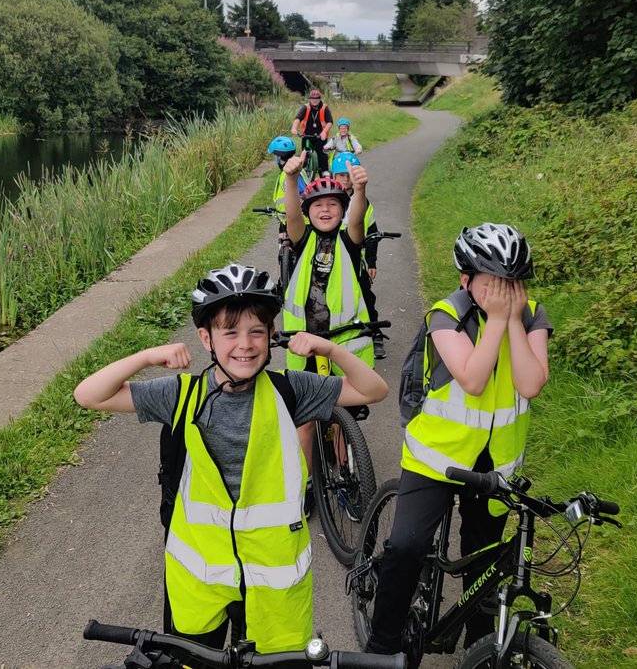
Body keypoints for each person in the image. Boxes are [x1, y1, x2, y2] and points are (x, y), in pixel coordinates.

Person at [74, 264, 388, 653]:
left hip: (274, 579)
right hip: (201, 579)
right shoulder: (182, 395)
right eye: (230, 332)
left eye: (257, 331)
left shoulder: (290, 390)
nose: (246, 344)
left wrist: (329, 348)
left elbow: (373, 391)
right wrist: (147, 356)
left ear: (272, 334)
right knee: (191, 661)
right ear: (206, 338)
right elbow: (89, 395)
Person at [365, 224, 553, 656]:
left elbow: (529, 384)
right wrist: (497, 322)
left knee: (484, 563)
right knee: (407, 547)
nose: (503, 294)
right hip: (435, 458)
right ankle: (381, 646)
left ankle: (480, 651)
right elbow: (471, 378)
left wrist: (512, 322)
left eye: (512, 284)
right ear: (466, 281)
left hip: (494, 468)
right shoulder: (445, 315)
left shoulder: (533, 316)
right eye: (492, 284)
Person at [280, 154, 376, 489]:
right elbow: (291, 215)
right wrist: (291, 180)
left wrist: (360, 190)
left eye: (333, 205)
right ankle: (305, 484)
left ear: (342, 211)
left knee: (341, 413)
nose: (325, 210)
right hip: (304, 342)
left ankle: (347, 472)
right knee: (305, 421)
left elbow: (358, 222)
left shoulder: (348, 243)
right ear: (309, 212)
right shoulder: (303, 239)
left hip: (343, 342)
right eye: (317, 205)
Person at [330, 152, 386, 359]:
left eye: (350, 175)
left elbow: (372, 233)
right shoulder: (329, 198)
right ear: (334, 176)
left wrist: (371, 261)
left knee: (365, 296)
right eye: (342, 175)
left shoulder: (363, 202)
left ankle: (375, 334)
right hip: (332, 259)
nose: (346, 179)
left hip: (355, 260)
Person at [268, 136, 306, 232]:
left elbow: (302, 196)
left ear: (279, 158)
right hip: (286, 219)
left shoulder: (291, 175)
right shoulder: (291, 172)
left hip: (292, 221)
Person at [290, 89, 333, 174]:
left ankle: (324, 173)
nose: (314, 100)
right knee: (304, 154)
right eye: (312, 98)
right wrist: (294, 128)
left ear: (320, 99)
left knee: (322, 155)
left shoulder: (324, 107)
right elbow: (298, 118)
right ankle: (304, 173)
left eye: (317, 98)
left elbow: (330, 122)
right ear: (310, 99)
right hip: (307, 136)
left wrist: (324, 132)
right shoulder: (306, 107)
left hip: (320, 136)